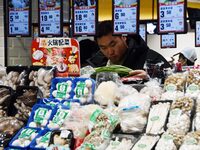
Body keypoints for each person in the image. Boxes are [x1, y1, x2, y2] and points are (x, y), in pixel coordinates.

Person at [95, 20, 171, 80]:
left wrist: (150, 80)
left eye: (113, 44)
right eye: (103, 48)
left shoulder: (152, 59)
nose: (110, 52)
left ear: (123, 37)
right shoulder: (97, 67)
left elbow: (173, 83)